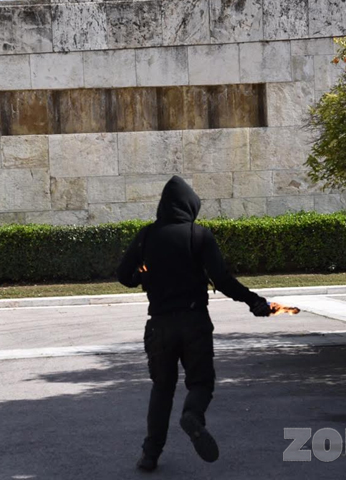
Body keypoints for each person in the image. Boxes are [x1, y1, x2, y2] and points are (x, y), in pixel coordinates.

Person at [117, 175, 273, 472]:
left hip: (160, 325)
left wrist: (142, 276)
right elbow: (222, 280)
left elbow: (124, 276)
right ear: (190, 206)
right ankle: (192, 415)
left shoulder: (146, 236)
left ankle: (150, 454)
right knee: (201, 382)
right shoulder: (199, 235)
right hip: (194, 322)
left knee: (162, 388)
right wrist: (253, 300)